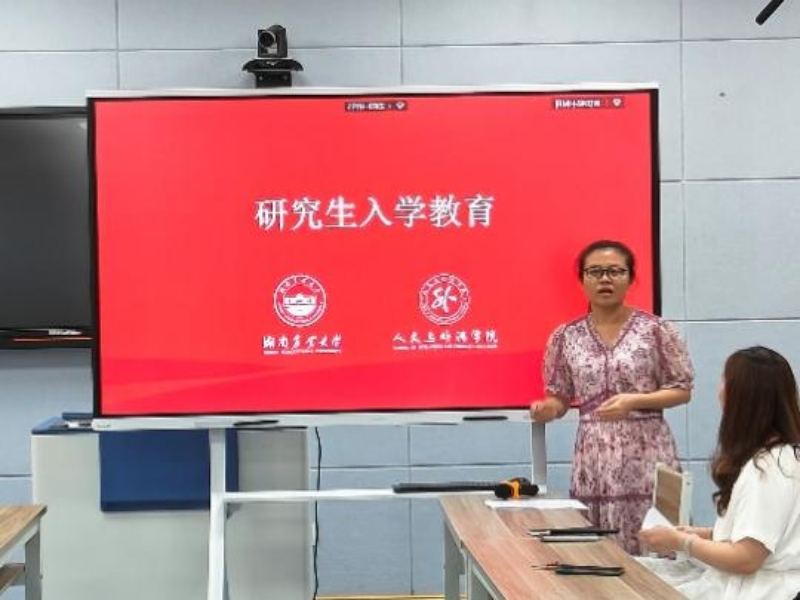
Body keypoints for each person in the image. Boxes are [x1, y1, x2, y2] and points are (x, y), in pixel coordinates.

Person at [530, 239, 693, 554]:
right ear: (582, 279)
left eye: (615, 271)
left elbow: (681, 390)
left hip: (647, 449)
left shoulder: (656, 330)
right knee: (598, 545)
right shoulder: (566, 337)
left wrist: (634, 401)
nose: (605, 279)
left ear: (631, 278)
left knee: (656, 537)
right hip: (594, 454)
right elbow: (559, 397)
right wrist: (546, 409)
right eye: (595, 272)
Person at [638, 346, 800, 599]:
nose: (719, 390)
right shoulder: (777, 458)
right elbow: (763, 537)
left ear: (742, 397)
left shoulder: (767, 470)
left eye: (724, 380)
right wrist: (706, 535)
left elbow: (747, 558)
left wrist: (682, 543)